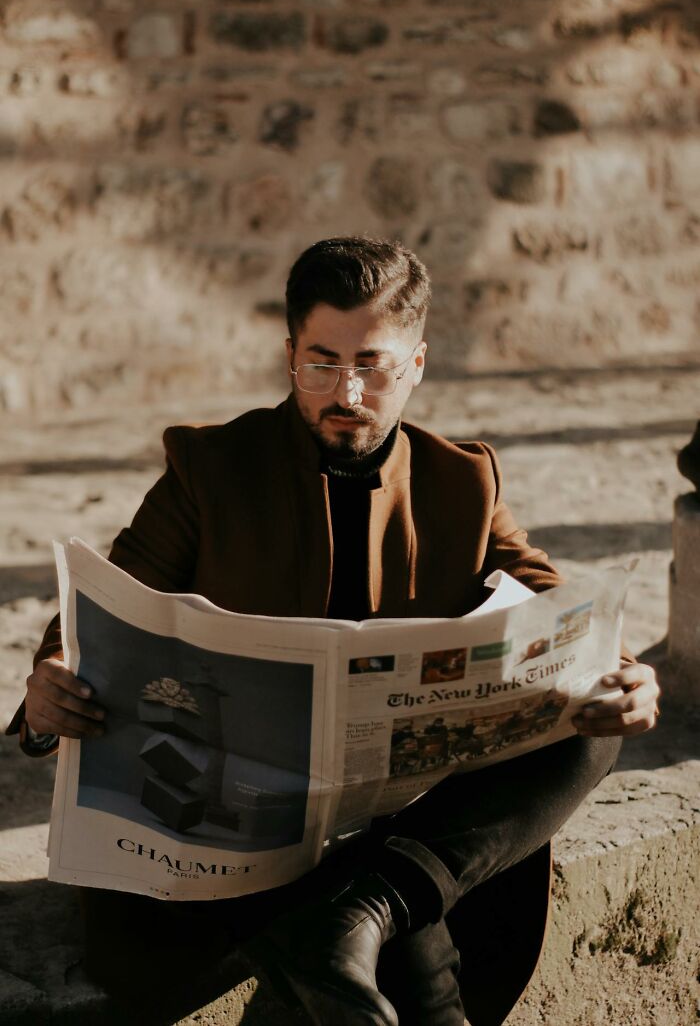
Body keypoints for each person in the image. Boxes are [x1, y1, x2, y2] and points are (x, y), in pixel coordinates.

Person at [7, 237, 660, 1026]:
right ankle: (365, 911)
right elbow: (98, 611)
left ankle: (365, 907)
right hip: (225, 839)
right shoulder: (210, 468)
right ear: (289, 356)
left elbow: (557, 600)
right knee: (403, 943)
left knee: (591, 723)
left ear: (416, 365)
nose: (345, 391)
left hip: (382, 822)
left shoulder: (463, 481)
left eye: (373, 367)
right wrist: (49, 694)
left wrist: (622, 672)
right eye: (321, 363)